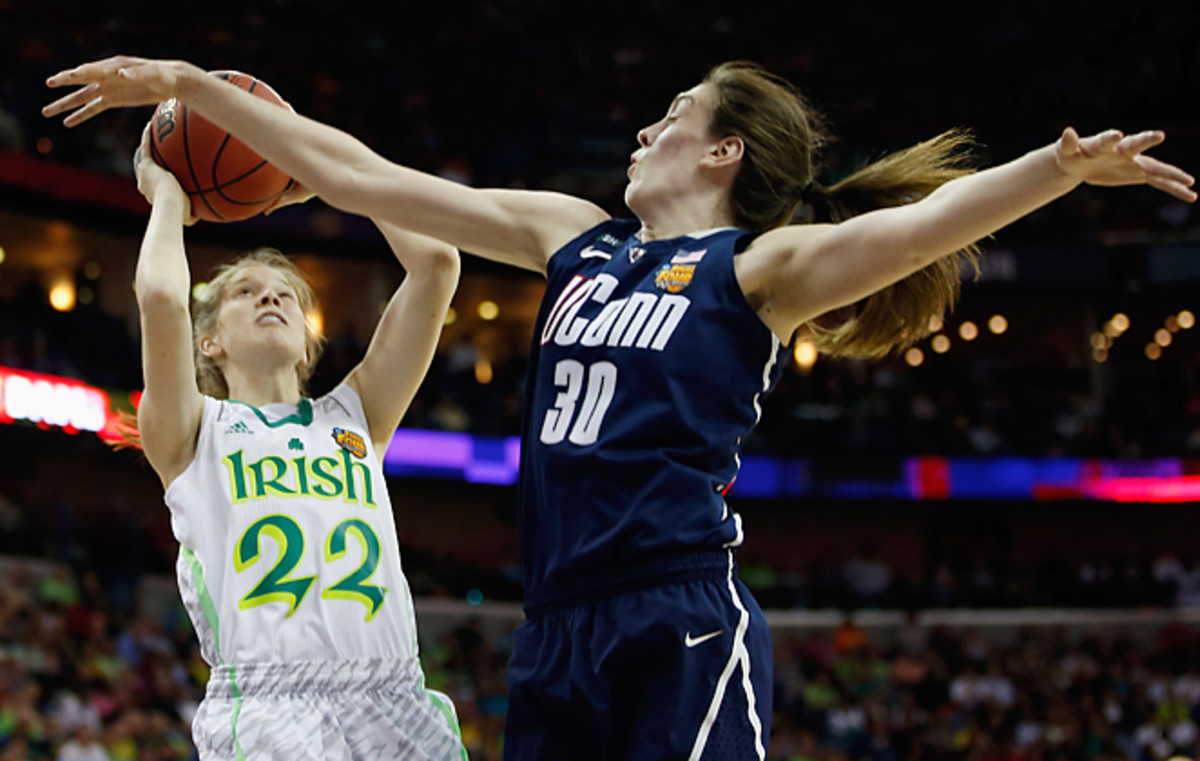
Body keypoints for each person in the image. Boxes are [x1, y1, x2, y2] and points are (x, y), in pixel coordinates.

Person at [45, 57, 1195, 760]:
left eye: (672, 115)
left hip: (673, 612)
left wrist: (1050, 170)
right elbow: (373, 181)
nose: (644, 131)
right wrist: (194, 89)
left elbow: (901, 234)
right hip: (553, 627)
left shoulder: (761, 268)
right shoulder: (571, 235)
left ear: (722, 150)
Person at [120, 128, 466, 760]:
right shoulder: (193, 430)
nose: (271, 295)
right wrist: (166, 194)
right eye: (246, 292)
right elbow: (164, 296)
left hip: (396, 696)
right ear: (209, 342)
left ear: (310, 343)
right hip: (269, 705)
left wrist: (342, 182)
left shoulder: (357, 414)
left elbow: (437, 264)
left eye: (285, 294)